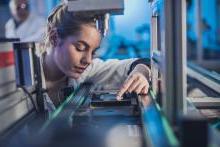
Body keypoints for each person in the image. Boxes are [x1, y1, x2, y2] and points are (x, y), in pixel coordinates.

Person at [41, 3, 151, 111]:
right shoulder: (25, 79)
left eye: (93, 52)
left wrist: (142, 71)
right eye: (80, 48)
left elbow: (134, 65)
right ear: (54, 38)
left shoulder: (87, 70)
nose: (88, 60)